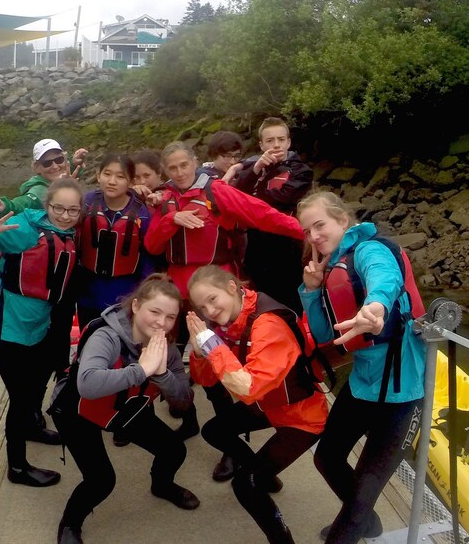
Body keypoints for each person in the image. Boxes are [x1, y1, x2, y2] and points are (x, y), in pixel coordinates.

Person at [143, 141, 306, 450]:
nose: (179, 173)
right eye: (172, 168)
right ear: (165, 171)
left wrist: (305, 231)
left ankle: (229, 439)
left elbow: (262, 214)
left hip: (214, 290)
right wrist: (170, 220)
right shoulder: (164, 200)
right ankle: (188, 419)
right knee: (173, 358)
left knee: (220, 361)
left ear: (195, 163)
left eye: (184, 165)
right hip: (178, 290)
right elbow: (152, 246)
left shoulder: (217, 192)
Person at [296, 191, 426, 543]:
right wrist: (310, 291)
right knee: (327, 458)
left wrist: (376, 307)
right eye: (307, 231)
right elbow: (327, 335)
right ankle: (366, 521)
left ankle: (358, 519)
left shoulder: (370, 250)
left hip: (403, 393)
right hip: (363, 383)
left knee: (360, 499)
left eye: (320, 225)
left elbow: (384, 278)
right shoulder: (329, 269)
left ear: (342, 219)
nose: (314, 237)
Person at [49, 274, 197, 544]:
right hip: (77, 410)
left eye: (170, 317)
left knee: (174, 449)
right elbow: (88, 384)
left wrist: (162, 374)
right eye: (155, 311)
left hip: (124, 408)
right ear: (137, 305)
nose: (161, 323)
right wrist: (142, 370)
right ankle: (70, 523)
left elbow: (185, 400)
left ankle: (161, 485)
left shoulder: (168, 349)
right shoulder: (107, 336)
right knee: (101, 480)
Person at [187, 266, 328, 544]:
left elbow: (249, 388)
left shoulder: (267, 324)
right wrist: (197, 349)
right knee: (215, 430)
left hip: (303, 417)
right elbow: (205, 378)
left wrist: (210, 343)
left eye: (212, 299)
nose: (210, 311)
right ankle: (267, 476)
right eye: (202, 307)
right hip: (270, 406)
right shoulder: (231, 323)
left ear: (231, 287)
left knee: (245, 485)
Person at [0, 178, 84, 488]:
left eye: (73, 209)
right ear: (48, 206)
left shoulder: (71, 233)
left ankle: (31, 428)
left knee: (34, 385)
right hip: (3, 324)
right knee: (20, 397)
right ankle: (17, 467)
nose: (65, 214)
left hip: (36, 324)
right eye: (59, 208)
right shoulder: (27, 229)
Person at [233, 117, 313, 313]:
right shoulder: (255, 168)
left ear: (288, 142)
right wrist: (256, 168)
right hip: (256, 247)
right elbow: (236, 193)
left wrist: (249, 198)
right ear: (261, 144)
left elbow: (280, 199)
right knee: (262, 301)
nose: (276, 145)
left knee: (290, 301)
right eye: (270, 141)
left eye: (280, 139)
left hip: (287, 247)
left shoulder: (301, 171)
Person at [75, 153, 154, 328]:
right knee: (88, 338)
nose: (112, 181)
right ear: (98, 175)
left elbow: (148, 257)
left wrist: (143, 292)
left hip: (124, 291)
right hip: (89, 289)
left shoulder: (142, 214)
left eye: (120, 177)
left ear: (131, 182)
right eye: (107, 174)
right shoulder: (87, 203)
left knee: (120, 344)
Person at [0, 138, 88, 218]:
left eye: (59, 160)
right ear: (37, 168)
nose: (55, 166)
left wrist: (74, 163)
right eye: (47, 163)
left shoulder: (64, 178)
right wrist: (6, 206)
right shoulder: (38, 191)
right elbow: (23, 203)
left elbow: (66, 175)